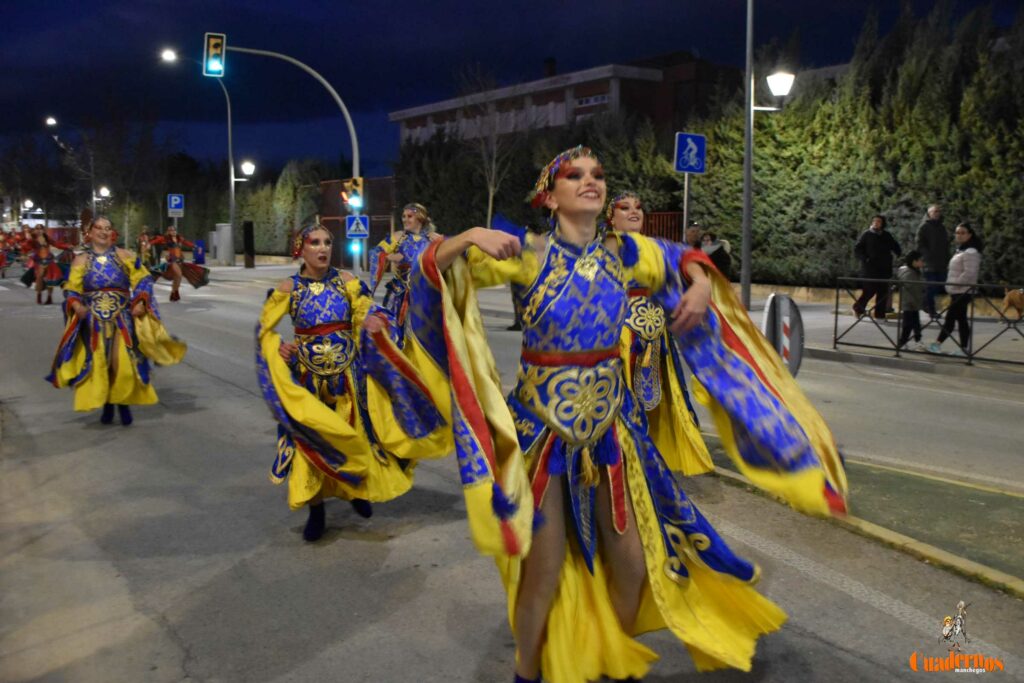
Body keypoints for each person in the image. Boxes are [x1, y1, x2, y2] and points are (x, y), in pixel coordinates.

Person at [392, 146, 846, 682]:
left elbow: (687, 259)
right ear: (550, 195)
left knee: (632, 566)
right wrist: (468, 236)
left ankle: (612, 665)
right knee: (542, 571)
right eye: (575, 175)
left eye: (598, 175)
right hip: (544, 433)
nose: (591, 182)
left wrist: (699, 286)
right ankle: (527, 673)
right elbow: (421, 263)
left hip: (612, 430)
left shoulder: (625, 253)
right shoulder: (528, 254)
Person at [256, 223, 442, 542]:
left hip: (349, 377)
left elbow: (367, 310)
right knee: (313, 442)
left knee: (358, 436)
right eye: (315, 242)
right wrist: (278, 346)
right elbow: (264, 330)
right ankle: (317, 510)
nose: (323, 248)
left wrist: (374, 319)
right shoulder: (289, 288)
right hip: (307, 380)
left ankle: (358, 490)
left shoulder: (347, 282)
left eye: (327, 241)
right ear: (301, 248)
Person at [606, 191, 711, 475]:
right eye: (624, 207)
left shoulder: (655, 247)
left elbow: (687, 257)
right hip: (618, 340)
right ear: (611, 217)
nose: (634, 212)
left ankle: (649, 463)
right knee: (620, 404)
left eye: (638, 207)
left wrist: (701, 282)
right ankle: (621, 463)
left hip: (656, 337)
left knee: (656, 404)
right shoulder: (603, 248)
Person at [46, 217, 186, 425]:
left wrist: (140, 300)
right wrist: (76, 306)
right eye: (99, 228)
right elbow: (72, 289)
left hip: (122, 316)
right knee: (100, 363)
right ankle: (108, 404)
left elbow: (143, 279)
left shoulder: (125, 256)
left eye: (108, 228)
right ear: (90, 233)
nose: (103, 232)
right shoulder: (80, 260)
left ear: (112, 233)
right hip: (93, 319)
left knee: (121, 361)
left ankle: (123, 403)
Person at [368, 203, 443, 345]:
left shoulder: (433, 239)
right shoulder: (398, 237)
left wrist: (440, 243)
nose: (405, 220)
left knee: (423, 339)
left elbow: (446, 259)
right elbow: (375, 252)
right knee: (394, 337)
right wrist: (388, 257)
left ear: (420, 218)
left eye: (410, 216)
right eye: (403, 216)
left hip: (423, 296)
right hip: (398, 296)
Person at [929, 223, 982, 357]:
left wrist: (954, 283)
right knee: (959, 319)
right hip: (957, 291)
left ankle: (938, 344)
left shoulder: (971, 252)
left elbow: (970, 273)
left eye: (962, 232)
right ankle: (962, 348)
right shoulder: (962, 250)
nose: (959, 235)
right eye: (957, 232)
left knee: (951, 318)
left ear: (969, 234)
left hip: (963, 291)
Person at [853, 215, 901, 318]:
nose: (876, 223)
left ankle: (880, 314)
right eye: (874, 221)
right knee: (869, 291)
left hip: (884, 269)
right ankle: (858, 308)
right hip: (870, 269)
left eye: (879, 221)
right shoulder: (867, 234)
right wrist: (865, 259)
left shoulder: (886, 235)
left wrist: (898, 253)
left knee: (882, 293)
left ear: (882, 223)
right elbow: (858, 249)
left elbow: (895, 245)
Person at [149, 225, 210, 301]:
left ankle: (174, 293)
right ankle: (173, 292)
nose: (173, 232)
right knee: (179, 275)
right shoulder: (166, 238)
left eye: (174, 230)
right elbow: (156, 241)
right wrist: (149, 244)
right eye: (171, 230)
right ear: (168, 232)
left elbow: (187, 243)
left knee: (177, 278)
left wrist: (196, 247)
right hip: (173, 260)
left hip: (180, 260)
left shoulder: (179, 238)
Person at [28, 225, 76, 304]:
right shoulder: (33, 240)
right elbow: (26, 246)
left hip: (49, 260)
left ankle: (49, 297)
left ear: (43, 230)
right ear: (35, 230)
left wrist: (67, 246)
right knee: (39, 277)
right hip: (39, 261)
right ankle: (39, 296)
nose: (39, 230)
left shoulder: (47, 238)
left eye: (41, 229)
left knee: (50, 279)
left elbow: (56, 244)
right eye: (37, 229)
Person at [916, 204, 949, 318]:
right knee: (931, 286)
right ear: (929, 213)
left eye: (938, 211)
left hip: (941, 263)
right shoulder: (924, 227)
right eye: (935, 211)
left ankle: (925, 304)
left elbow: (945, 244)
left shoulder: (941, 227)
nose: (937, 213)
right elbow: (919, 243)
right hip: (929, 263)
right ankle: (931, 309)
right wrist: (927, 255)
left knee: (938, 285)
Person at [896, 250, 927, 351]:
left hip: (913, 302)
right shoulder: (910, 273)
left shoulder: (914, 271)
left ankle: (907, 342)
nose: (923, 262)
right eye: (921, 260)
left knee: (912, 324)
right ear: (914, 261)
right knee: (909, 324)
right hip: (910, 303)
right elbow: (910, 289)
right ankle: (908, 342)